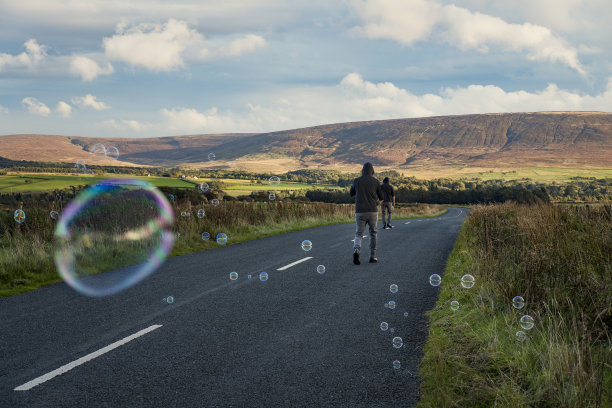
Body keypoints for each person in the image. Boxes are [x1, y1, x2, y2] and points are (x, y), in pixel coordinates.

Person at [350, 162, 383, 265]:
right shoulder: (376, 182)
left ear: (362, 170)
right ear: (372, 170)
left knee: (359, 233)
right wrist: (376, 203)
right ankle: (372, 256)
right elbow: (381, 198)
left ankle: (356, 251)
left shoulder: (357, 180)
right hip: (372, 211)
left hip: (360, 211)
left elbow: (351, 193)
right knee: (373, 233)